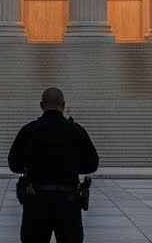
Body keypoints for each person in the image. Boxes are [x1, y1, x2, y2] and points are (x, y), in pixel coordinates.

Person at [8, 87, 99, 243]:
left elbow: (14, 164)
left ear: (42, 105)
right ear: (63, 105)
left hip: (36, 199)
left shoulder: (29, 130)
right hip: (68, 200)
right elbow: (92, 164)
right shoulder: (76, 130)